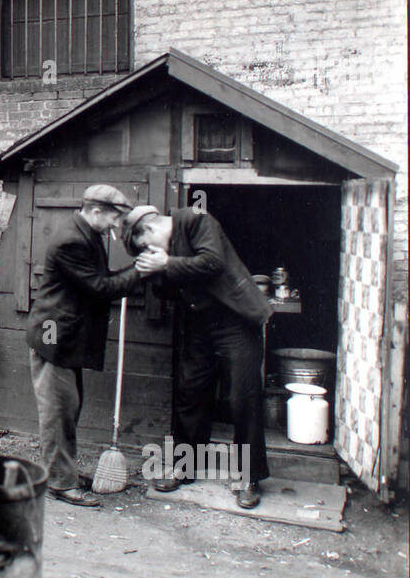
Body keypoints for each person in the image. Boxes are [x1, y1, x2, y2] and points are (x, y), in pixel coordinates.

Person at [123, 204, 273, 509]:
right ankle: (186, 466)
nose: (151, 252)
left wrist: (166, 263)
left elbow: (212, 263)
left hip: (236, 321)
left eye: (146, 247)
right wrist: (155, 275)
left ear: (150, 231)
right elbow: (167, 289)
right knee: (190, 392)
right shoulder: (165, 252)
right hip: (199, 325)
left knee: (242, 398)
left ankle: (248, 477)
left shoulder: (195, 220)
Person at [26, 185, 142, 507]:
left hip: (62, 331)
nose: (115, 226)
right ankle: (60, 484)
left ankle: (63, 474)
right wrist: (141, 271)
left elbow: (99, 280)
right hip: (52, 334)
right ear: (95, 211)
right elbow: (100, 287)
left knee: (67, 406)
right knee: (58, 410)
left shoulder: (87, 234)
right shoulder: (72, 240)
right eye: (113, 219)